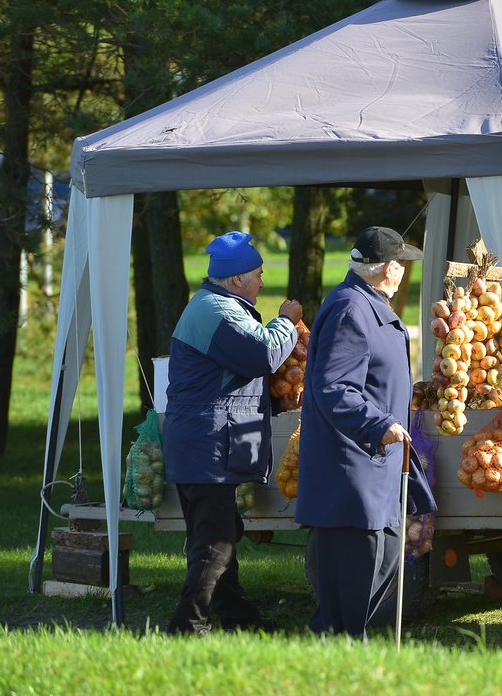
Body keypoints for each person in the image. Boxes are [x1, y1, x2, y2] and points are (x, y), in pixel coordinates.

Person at [162, 231, 303, 635]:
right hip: (207, 446)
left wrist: (276, 403)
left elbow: (225, 381)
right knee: (215, 544)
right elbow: (261, 354)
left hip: (201, 442)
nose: (262, 281)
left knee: (219, 536)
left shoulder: (217, 306)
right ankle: (187, 626)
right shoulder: (217, 312)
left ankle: (237, 616)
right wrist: (287, 320)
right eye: (258, 274)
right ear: (238, 279)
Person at [296, 226, 423, 639]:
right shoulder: (352, 309)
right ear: (388, 268)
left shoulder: (367, 303)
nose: (405, 271)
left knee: (383, 557)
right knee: (359, 568)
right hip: (351, 470)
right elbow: (333, 387)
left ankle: (345, 644)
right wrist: (379, 422)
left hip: (374, 469)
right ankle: (338, 649)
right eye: (402, 264)